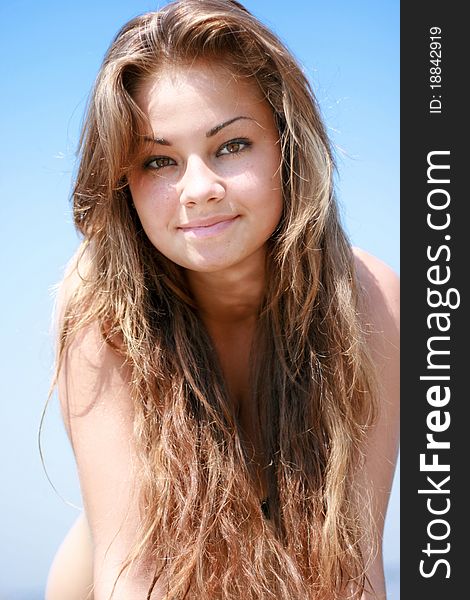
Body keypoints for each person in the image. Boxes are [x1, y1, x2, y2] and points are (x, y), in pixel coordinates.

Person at [45, 1, 399, 598]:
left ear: (286, 147)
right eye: (158, 161)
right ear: (122, 183)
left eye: (231, 146)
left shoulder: (369, 301)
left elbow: (352, 573)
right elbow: (134, 575)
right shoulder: (100, 306)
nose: (199, 190)